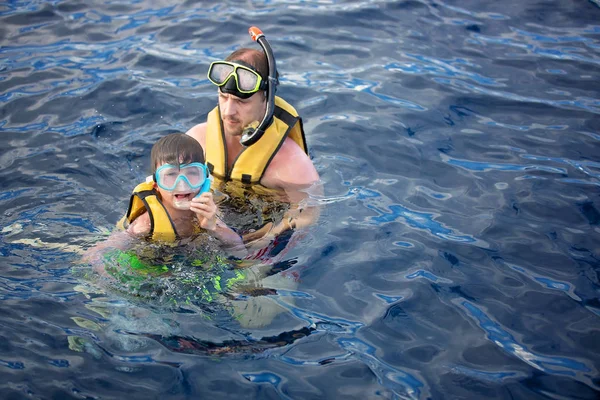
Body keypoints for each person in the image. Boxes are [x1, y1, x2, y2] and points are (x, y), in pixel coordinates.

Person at [186, 30, 322, 240]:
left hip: (261, 227)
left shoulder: (293, 165)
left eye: (242, 102)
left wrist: (268, 237)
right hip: (212, 220)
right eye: (223, 97)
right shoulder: (197, 140)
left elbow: (308, 215)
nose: (228, 112)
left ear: (266, 100)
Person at [84, 133, 245, 268]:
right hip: (154, 262)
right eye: (170, 175)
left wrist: (213, 228)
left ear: (204, 179)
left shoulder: (208, 210)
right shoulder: (146, 224)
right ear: (156, 184)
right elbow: (101, 253)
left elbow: (240, 250)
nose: (182, 184)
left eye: (192, 173)